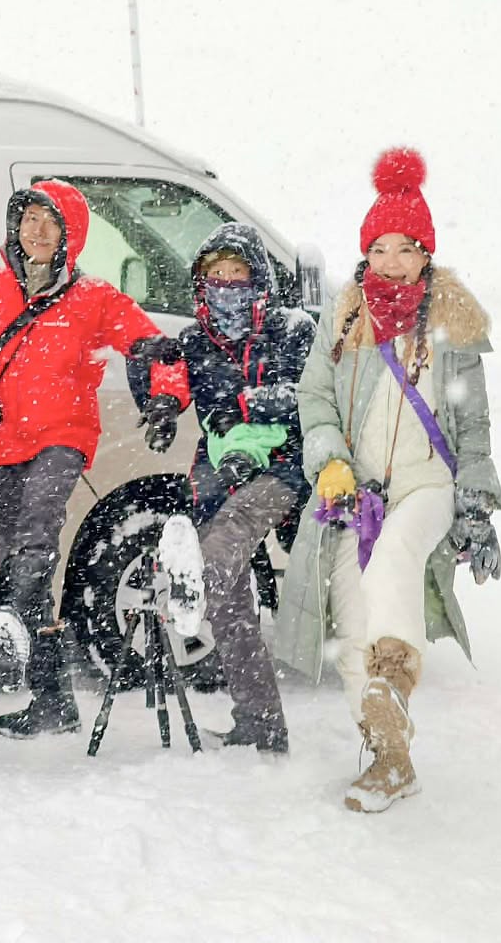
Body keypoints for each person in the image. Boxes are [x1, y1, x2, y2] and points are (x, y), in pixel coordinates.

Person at [271, 149, 501, 813]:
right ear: (365, 253)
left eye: (407, 248)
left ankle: (394, 682)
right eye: (380, 248)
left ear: (427, 253)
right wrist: (330, 456)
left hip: (427, 484)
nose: (393, 261)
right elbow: (314, 398)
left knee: (395, 562)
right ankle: (387, 756)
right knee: (351, 629)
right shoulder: (344, 320)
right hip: (356, 489)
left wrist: (478, 500)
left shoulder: (452, 327)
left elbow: (474, 424)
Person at [0, 181, 191, 738]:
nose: (36, 230)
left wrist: (164, 398)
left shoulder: (96, 299)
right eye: (29, 218)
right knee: (4, 555)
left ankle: (13, 624)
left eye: (49, 222)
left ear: (71, 234)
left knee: (36, 539)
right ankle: (51, 697)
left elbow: (156, 348)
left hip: (61, 438)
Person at [169, 221, 314, 754]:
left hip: (282, 467)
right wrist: (157, 396)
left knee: (225, 540)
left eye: (238, 273)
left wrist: (249, 404)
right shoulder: (193, 339)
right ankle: (260, 720)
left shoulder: (292, 328)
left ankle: (190, 581)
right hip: (220, 464)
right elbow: (167, 376)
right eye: (216, 275)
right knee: (229, 602)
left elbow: (307, 393)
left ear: (259, 279)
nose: (227, 284)